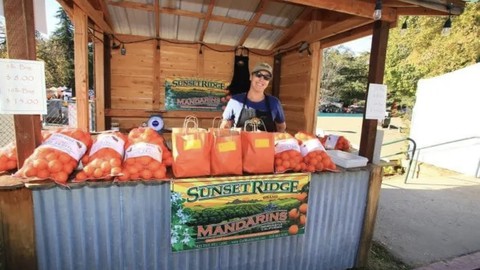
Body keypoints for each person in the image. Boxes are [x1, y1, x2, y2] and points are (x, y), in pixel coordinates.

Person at [220, 62, 286, 132]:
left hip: (266, 143)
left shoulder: (274, 102)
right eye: (258, 75)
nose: (262, 79)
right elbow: (225, 126)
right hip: (241, 143)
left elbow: (281, 127)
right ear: (251, 77)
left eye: (266, 77)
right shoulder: (235, 100)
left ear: (268, 81)